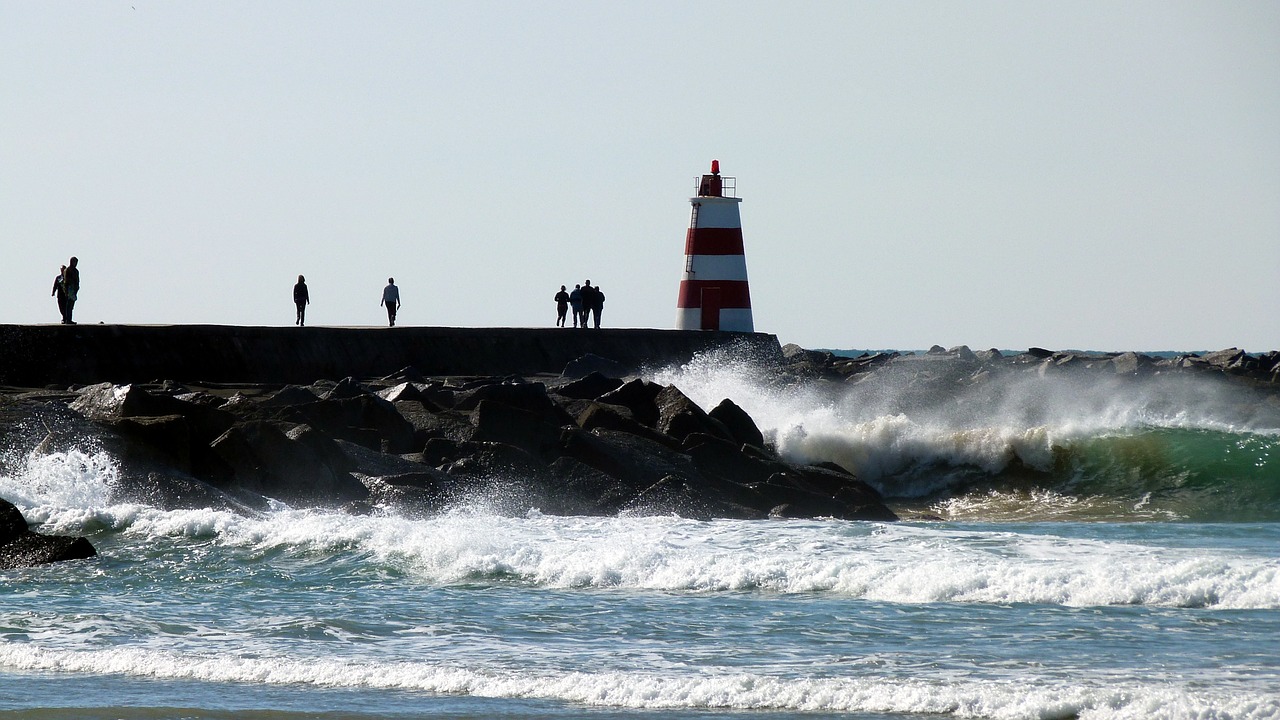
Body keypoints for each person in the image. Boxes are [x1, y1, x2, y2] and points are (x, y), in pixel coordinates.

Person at [62, 257, 80, 324]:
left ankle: (69, 319)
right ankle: (67, 319)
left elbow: (77, 281)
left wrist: (77, 288)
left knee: (71, 306)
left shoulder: (76, 271)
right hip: (69, 289)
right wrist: (66, 290)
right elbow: (66, 281)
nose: (75, 264)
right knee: (68, 305)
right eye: (74, 262)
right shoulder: (67, 270)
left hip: (74, 289)